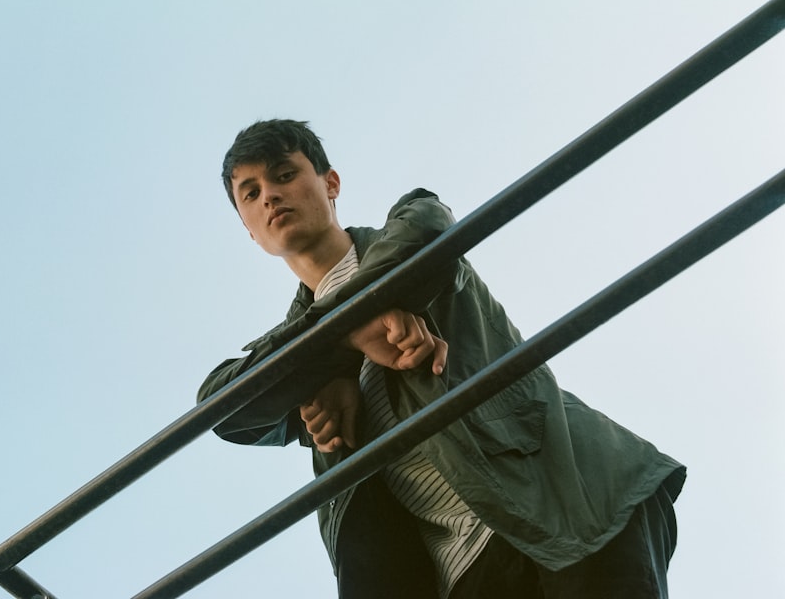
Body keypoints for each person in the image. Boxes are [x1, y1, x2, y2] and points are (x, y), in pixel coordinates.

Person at [198, 119, 685, 599]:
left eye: (284, 175)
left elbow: (429, 225)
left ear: (331, 183)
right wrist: (343, 347)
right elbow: (220, 407)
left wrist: (339, 335)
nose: (269, 196)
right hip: (461, 575)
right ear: (250, 232)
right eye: (250, 192)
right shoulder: (298, 363)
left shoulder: (405, 237)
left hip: (568, 503)